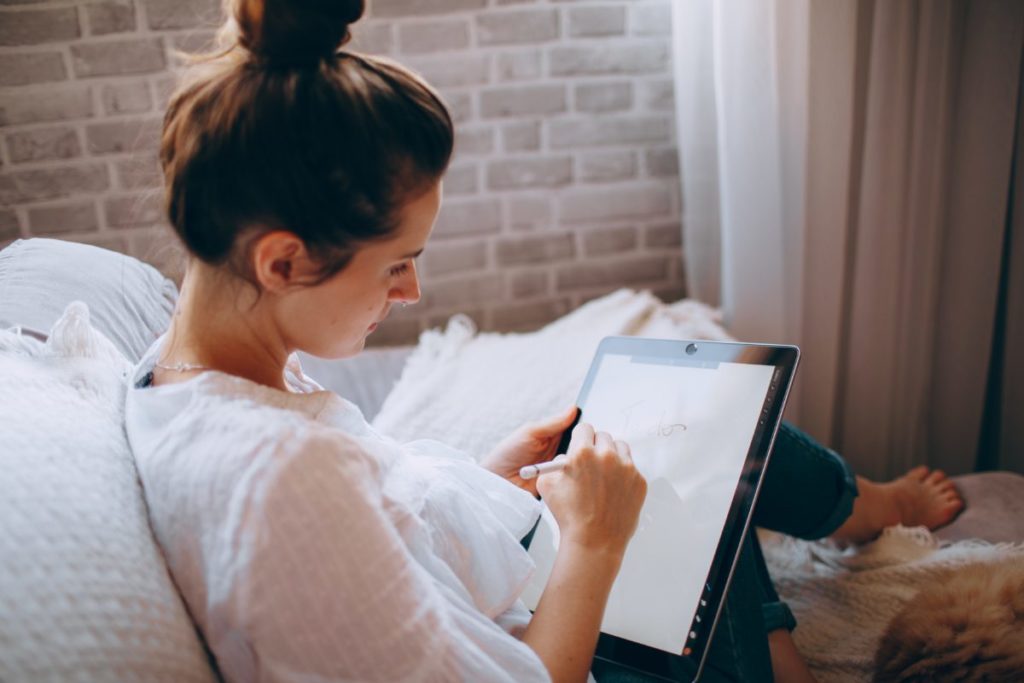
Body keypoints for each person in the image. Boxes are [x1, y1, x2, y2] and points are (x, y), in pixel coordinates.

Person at [124, 1, 964, 681]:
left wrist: (489, 480)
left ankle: (845, 532)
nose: (413, 291)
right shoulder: (275, 483)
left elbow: (389, 548)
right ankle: (849, 538)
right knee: (700, 456)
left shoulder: (191, 379)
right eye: (396, 265)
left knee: (689, 436)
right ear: (282, 260)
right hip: (569, 644)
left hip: (516, 568)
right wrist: (595, 542)